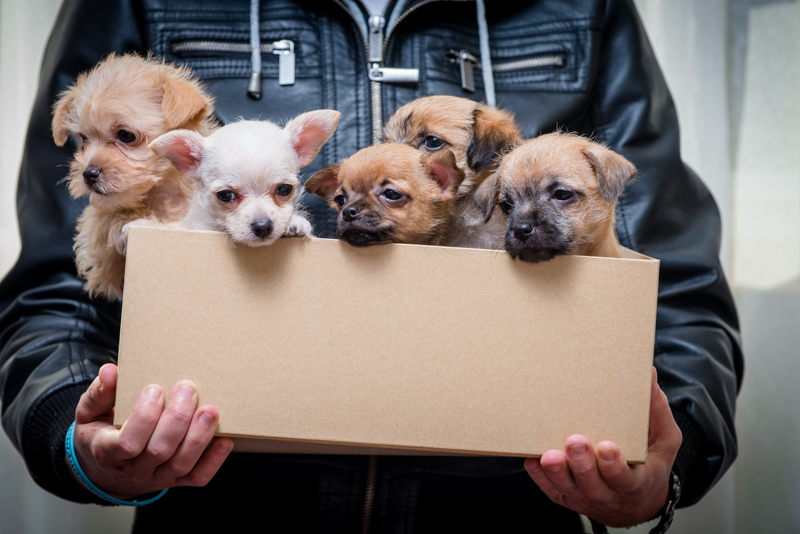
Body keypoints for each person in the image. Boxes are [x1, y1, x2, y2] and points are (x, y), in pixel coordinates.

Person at [0, 0, 742, 532]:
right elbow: (61, 281)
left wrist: (665, 464)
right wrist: (74, 436)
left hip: (515, 503)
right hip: (221, 496)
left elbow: (668, 280)